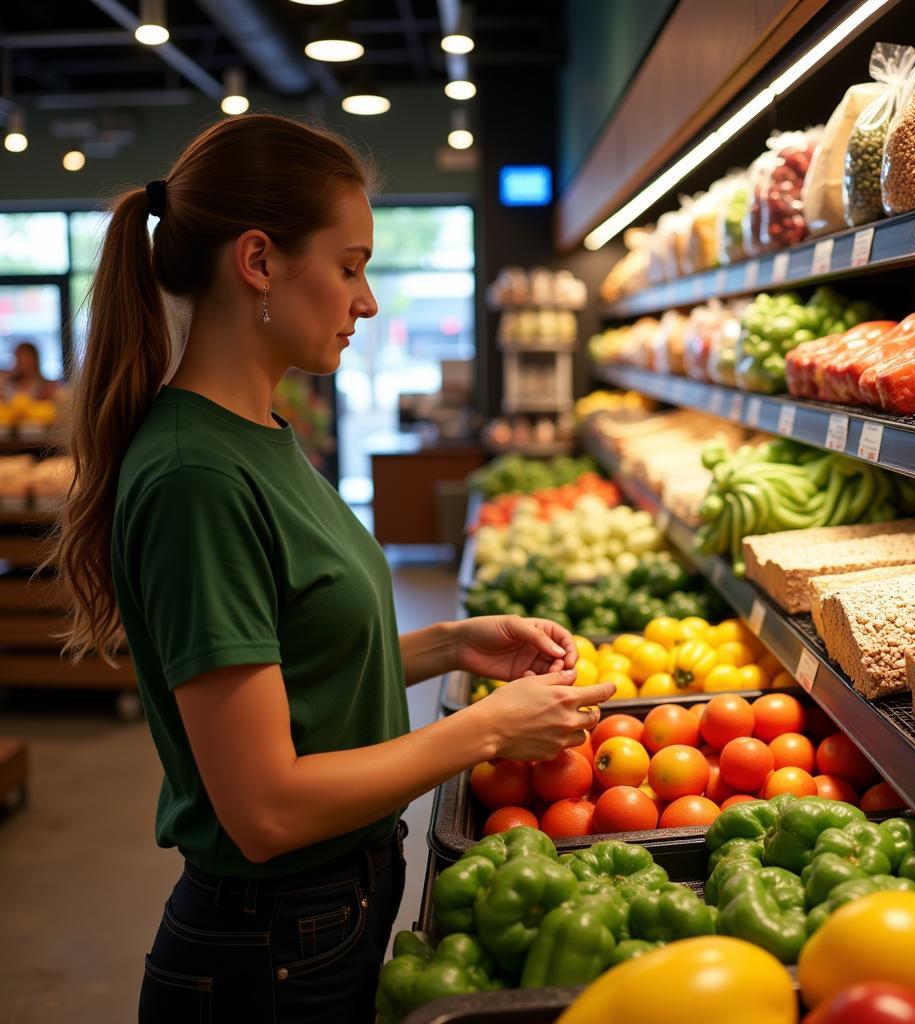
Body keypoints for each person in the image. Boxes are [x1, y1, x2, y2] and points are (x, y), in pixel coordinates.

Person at [51, 113, 615, 1024]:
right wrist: (485, 732)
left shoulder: (264, 437)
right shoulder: (196, 474)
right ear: (260, 261)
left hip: (324, 920)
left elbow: (298, 668)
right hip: (268, 953)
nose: (368, 301)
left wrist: (451, 644)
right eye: (349, 267)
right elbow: (264, 807)